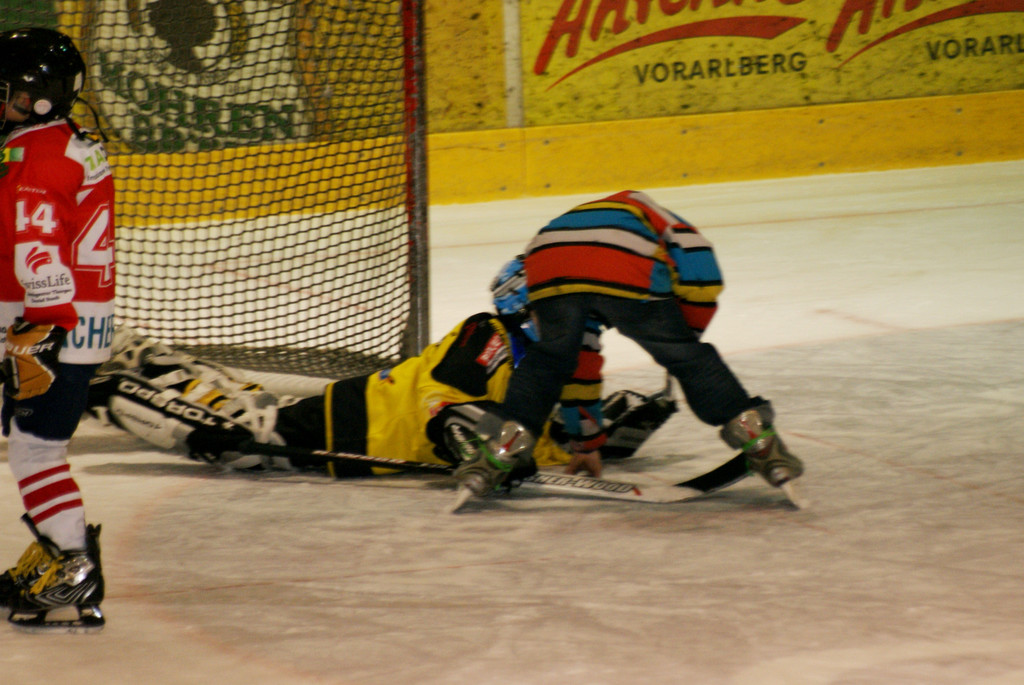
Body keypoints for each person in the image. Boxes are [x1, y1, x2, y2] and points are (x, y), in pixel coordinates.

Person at [85, 258, 677, 481]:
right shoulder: (490, 336)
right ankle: (100, 389)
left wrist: (607, 433)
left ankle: (138, 352)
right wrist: (466, 433)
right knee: (246, 439)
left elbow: (539, 436)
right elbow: (443, 401)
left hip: (371, 432)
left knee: (251, 404)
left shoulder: (553, 368)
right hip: (363, 422)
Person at [441, 190, 805, 503]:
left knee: (549, 361)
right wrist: (685, 338)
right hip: (623, 262)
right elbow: (699, 265)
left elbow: (579, 366)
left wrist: (586, 443)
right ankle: (762, 446)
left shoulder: (596, 221)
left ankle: (496, 454)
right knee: (687, 358)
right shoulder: (651, 214)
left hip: (546, 259)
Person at [0, 28, 115, 631]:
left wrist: (41, 330)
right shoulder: (64, 141)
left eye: (7, 92)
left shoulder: (37, 157)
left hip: (52, 328)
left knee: (37, 450)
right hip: (74, 325)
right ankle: (66, 559)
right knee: (36, 447)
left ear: (37, 97)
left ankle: (73, 567)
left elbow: (39, 252)